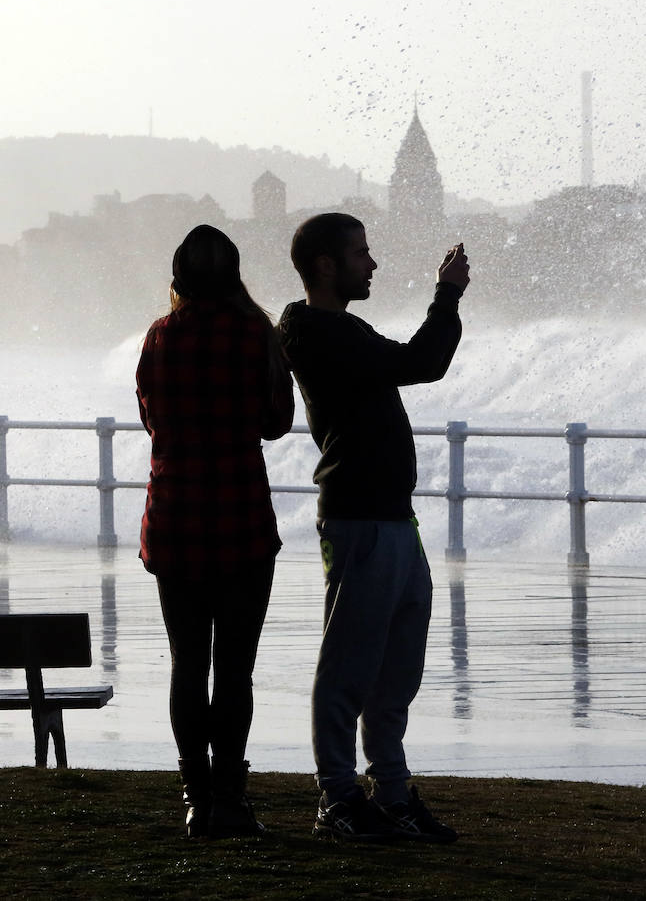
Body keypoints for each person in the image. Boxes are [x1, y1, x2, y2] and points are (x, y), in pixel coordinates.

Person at [277, 212, 468, 842]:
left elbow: (415, 362)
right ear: (326, 266)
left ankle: (390, 792)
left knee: (396, 670)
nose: (373, 264)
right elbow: (424, 361)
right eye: (361, 254)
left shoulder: (341, 329)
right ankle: (337, 796)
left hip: (394, 518)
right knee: (349, 666)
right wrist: (447, 295)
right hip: (359, 520)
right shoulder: (317, 333)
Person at [136, 224, 294, 838]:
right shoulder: (255, 333)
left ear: (177, 278)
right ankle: (231, 793)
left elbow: (151, 421)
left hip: (175, 520)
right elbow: (277, 422)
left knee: (186, 665)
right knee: (234, 669)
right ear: (234, 277)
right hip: (241, 521)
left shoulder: (158, 337)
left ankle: (195, 796)